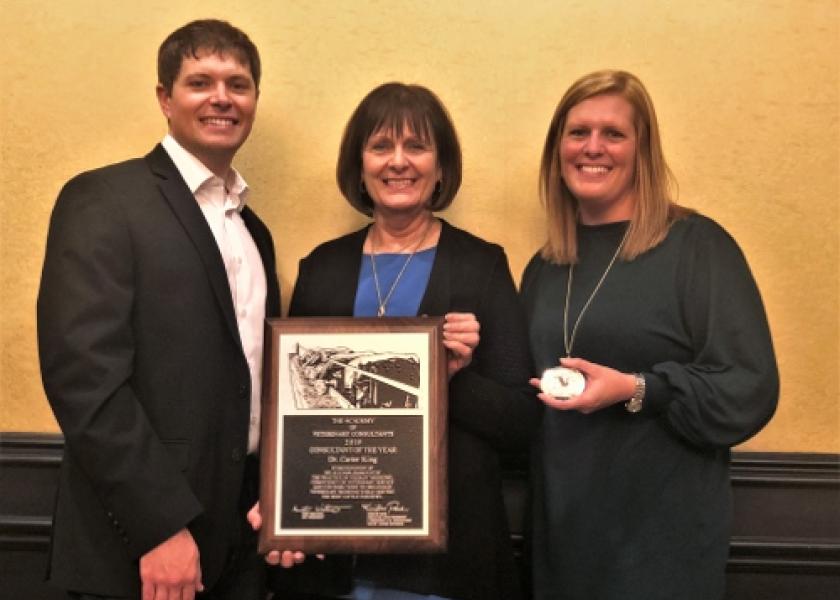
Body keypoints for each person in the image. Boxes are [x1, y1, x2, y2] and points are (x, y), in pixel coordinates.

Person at [265, 82, 540, 600]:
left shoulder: (482, 266)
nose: (398, 162)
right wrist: (279, 507)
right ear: (360, 165)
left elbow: (521, 423)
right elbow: (291, 417)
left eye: (416, 146)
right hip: (334, 561)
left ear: (441, 167)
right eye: (380, 146)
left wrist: (451, 378)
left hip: (448, 562)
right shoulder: (321, 268)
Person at [37, 20, 280, 600]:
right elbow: (84, 381)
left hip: (242, 541)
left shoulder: (255, 232)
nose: (222, 97)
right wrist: (161, 526)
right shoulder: (103, 200)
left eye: (238, 84)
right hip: (139, 549)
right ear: (165, 100)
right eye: (201, 82)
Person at [520, 69, 779, 599]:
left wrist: (639, 389)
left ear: (642, 150)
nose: (593, 148)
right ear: (557, 150)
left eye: (613, 134)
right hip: (564, 540)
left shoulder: (697, 248)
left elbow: (749, 387)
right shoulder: (544, 268)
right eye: (578, 132)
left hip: (662, 546)